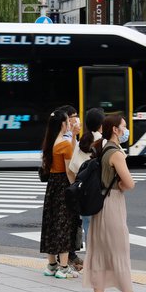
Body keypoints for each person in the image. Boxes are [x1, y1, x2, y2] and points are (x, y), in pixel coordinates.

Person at [82, 114, 146, 292]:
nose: (126, 129)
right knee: (120, 253)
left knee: (99, 253)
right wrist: (120, 185)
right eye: (124, 126)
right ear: (115, 129)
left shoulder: (102, 149)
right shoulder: (116, 153)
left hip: (99, 205)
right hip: (112, 204)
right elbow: (129, 183)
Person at [40, 109, 81, 279]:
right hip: (63, 185)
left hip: (52, 186)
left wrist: (72, 137)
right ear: (63, 124)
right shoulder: (63, 145)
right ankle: (63, 268)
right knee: (63, 224)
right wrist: (76, 186)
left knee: (51, 223)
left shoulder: (49, 143)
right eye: (67, 122)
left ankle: (51, 265)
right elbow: (69, 171)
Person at [68, 107, 105, 242]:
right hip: (99, 195)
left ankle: (90, 261)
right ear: (102, 125)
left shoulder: (81, 142)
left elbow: (71, 170)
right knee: (101, 235)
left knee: (88, 232)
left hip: (83, 195)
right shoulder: (104, 142)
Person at [58, 105, 83, 270]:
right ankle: (69, 258)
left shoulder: (61, 138)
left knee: (69, 221)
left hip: (61, 185)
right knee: (70, 221)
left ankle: (63, 259)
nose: (76, 119)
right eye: (73, 116)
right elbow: (71, 165)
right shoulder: (65, 140)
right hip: (67, 184)